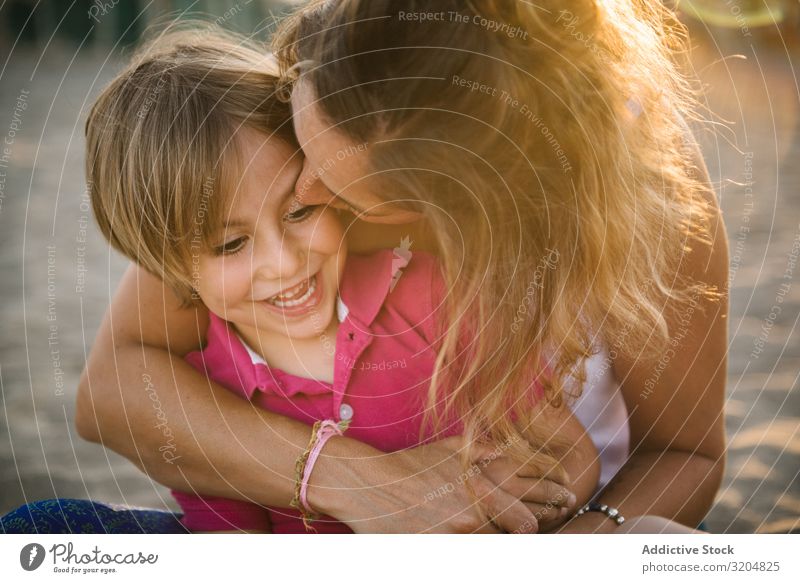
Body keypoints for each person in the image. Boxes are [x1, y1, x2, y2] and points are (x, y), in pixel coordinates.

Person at [74, 0, 728, 534]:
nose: (304, 198)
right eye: (302, 143)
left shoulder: (650, 198)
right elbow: (113, 387)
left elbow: (685, 452)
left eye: (340, 193)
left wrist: (581, 542)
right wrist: (355, 479)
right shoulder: (281, 154)